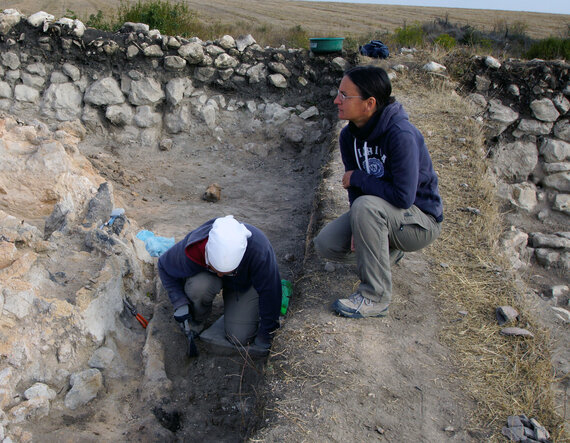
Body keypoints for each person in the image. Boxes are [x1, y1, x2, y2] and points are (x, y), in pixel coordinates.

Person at [314, 65, 443, 319]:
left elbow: (403, 197)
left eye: (344, 95)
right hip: (384, 215)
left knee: (366, 208)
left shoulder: (400, 135)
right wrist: (359, 224)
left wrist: (359, 180)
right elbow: (355, 189)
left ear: (369, 103)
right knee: (325, 244)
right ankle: (384, 255)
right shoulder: (348, 137)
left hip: (420, 221)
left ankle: (375, 297)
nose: (336, 100)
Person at [158, 215, 281, 355]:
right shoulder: (195, 247)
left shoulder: (259, 250)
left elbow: (271, 292)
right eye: (217, 269)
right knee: (199, 287)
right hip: (208, 280)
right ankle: (197, 320)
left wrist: (266, 333)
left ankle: (240, 309)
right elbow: (163, 266)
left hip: (244, 284)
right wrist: (179, 301)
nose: (221, 275)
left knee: (239, 337)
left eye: (227, 271)